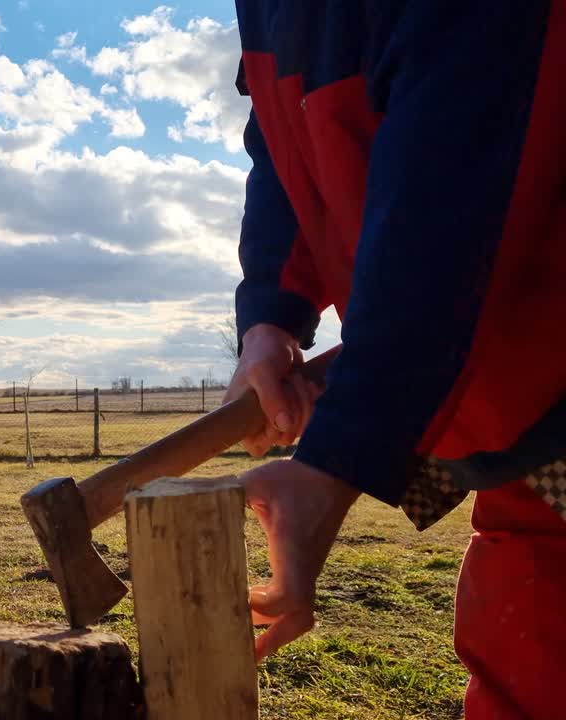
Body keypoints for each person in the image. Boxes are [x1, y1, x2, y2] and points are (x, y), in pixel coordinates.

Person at [225, 2, 566, 717]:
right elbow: (282, 141)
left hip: (544, 385)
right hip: (505, 421)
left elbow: (449, 206)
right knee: (523, 659)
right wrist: (269, 314)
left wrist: (339, 459)